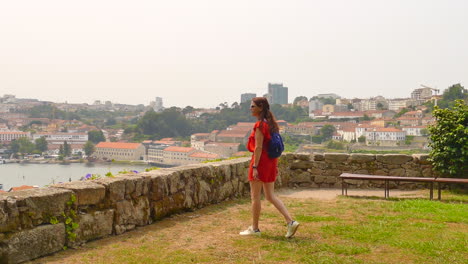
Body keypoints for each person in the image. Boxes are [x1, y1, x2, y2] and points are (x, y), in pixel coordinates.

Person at [239, 97, 299, 238]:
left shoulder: (260, 125)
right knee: (270, 195)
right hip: (271, 162)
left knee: (255, 197)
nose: (250, 108)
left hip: (260, 162)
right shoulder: (271, 124)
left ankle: (255, 229)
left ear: (260, 107)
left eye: (253, 106)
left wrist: (255, 166)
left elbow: (258, 147)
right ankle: (290, 222)